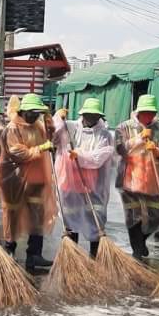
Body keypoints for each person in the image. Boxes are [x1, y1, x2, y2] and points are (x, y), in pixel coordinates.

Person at [0, 93, 58, 273]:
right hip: (14, 178)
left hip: (36, 178)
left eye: (37, 113)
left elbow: (50, 134)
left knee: (37, 215)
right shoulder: (12, 128)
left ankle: (34, 254)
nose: (34, 116)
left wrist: (48, 118)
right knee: (13, 214)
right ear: (22, 111)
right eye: (31, 112)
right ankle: (10, 249)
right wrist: (41, 148)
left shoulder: (38, 125)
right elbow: (17, 152)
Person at [53, 98, 116, 257]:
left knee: (94, 217)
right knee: (70, 216)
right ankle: (73, 256)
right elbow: (53, 136)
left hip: (92, 185)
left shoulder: (104, 135)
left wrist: (79, 156)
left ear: (99, 116)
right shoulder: (70, 127)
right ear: (82, 114)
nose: (91, 118)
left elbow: (99, 157)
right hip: (69, 183)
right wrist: (58, 118)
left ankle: (95, 256)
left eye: (94, 115)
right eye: (88, 114)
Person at [114, 94, 159, 260]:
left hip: (153, 180)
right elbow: (120, 149)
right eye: (145, 112)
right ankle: (137, 249)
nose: (148, 116)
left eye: (151, 113)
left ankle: (141, 242)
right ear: (138, 112)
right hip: (129, 179)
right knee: (133, 216)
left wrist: (156, 150)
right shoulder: (123, 127)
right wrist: (139, 139)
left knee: (157, 216)